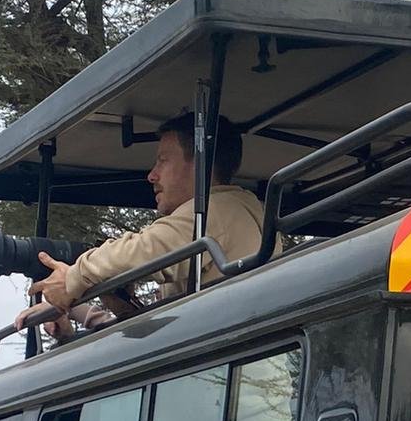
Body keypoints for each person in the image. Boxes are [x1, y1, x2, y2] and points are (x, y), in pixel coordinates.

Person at [18, 113, 264, 335]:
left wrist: (73, 277)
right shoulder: (235, 211)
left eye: (163, 161)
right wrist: (102, 307)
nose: (152, 175)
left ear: (201, 162)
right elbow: (168, 331)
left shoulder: (219, 209)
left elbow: (143, 250)